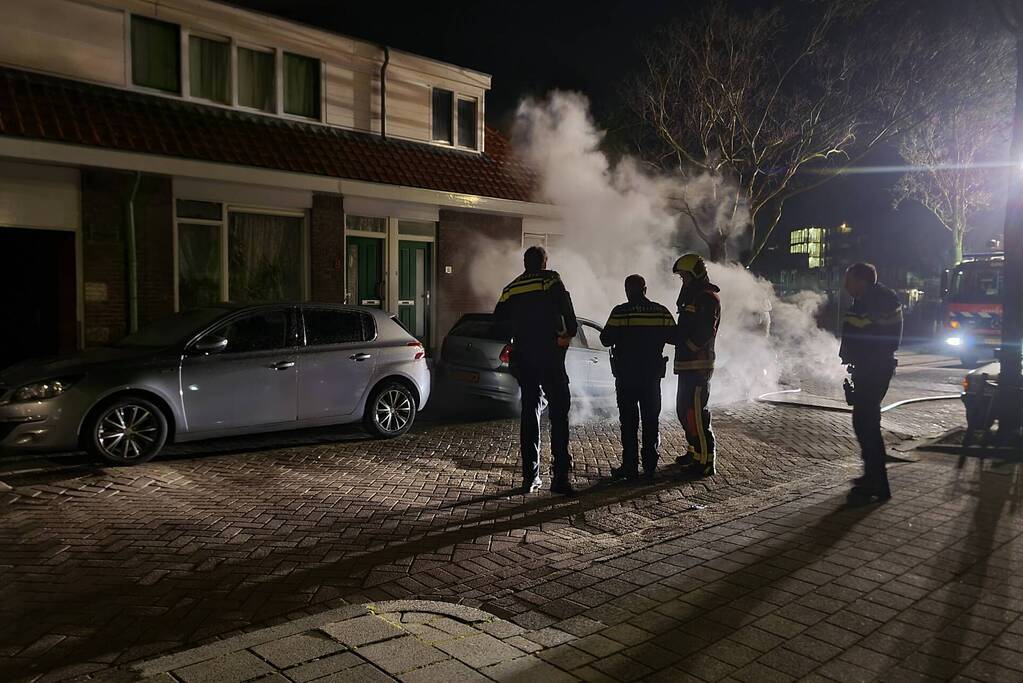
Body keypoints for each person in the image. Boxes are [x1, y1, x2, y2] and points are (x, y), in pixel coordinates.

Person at [494, 246, 579, 496]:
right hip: (549, 356)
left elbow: (498, 320)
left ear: (524, 263)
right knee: (559, 414)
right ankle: (560, 478)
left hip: (524, 358)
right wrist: (566, 334)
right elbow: (568, 316)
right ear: (544, 262)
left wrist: (516, 333)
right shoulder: (550, 280)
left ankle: (530, 478)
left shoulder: (511, 288)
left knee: (530, 414)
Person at [600, 275, 676, 482]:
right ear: (645, 289)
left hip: (627, 378)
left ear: (627, 290)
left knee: (629, 423)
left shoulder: (620, 312)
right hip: (651, 377)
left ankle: (630, 466)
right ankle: (650, 467)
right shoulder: (660, 311)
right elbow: (676, 336)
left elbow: (605, 339)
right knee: (651, 421)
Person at [839, 262, 903, 503]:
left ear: (861, 280)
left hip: (873, 369)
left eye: (849, 280)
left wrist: (854, 356)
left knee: (866, 425)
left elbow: (864, 334)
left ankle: (875, 482)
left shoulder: (873, 301)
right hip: (874, 368)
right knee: (866, 424)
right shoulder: (879, 298)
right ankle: (876, 479)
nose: (846, 286)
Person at [671, 253, 721, 478]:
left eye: (684, 277)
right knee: (684, 410)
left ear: (696, 274)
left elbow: (705, 330)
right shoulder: (691, 298)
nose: (683, 281)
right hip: (686, 365)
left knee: (697, 414)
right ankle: (693, 452)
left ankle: (706, 461)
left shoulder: (708, 298)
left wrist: (689, 346)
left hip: (699, 366)